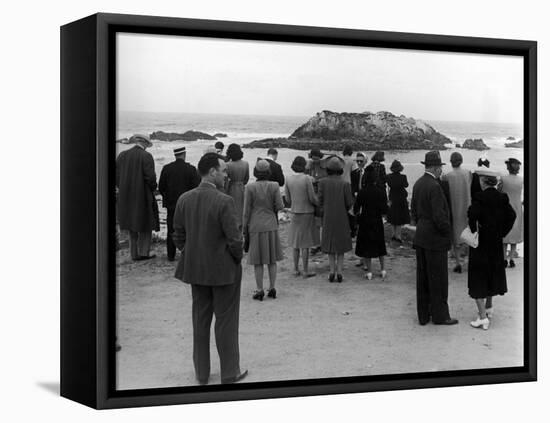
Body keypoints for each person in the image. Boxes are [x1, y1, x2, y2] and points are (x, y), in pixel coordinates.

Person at [172, 152, 247, 385]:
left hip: (196, 269)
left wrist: (193, 252)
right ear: (212, 171)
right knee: (226, 322)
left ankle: (202, 374)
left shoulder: (184, 199)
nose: (226, 174)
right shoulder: (225, 201)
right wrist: (235, 258)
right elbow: (235, 240)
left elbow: (179, 236)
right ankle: (229, 373)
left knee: (200, 321)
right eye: (223, 170)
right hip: (224, 271)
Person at [411, 151, 458, 326]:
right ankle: (440, 316)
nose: (440, 171)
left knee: (422, 278)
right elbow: (440, 217)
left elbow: (414, 211)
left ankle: (423, 315)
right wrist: (448, 233)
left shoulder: (418, 184)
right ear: (436, 168)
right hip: (435, 239)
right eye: (440, 168)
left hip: (421, 236)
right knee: (438, 279)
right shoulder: (435, 187)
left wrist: (421, 225)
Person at [467, 169, 516, 330]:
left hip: (481, 242)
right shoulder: (502, 198)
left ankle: (482, 318)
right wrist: (501, 232)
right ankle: (488, 308)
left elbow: (472, 215)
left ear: (483, 181)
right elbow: (512, 215)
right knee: (491, 274)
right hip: (496, 242)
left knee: (478, 276)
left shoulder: (479, 197)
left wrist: (474, 230)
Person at [243, 160, 285, 300]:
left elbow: (246, 211)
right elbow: (280, 205)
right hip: (271, 224)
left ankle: (259, 289)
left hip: (255, 224)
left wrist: (244, 227)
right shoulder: (274, 186)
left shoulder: (250, 187)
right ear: (268, 172)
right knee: (272, 259)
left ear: (256, 172)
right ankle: (272, 287)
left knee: (258, 260)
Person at [116, 134, 158, 261]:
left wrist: (123, 188)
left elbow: (116, 177)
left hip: (125, 195)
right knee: (146, 224)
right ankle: (144, 252)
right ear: (145, 143)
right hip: (142, 195)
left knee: (131, 224)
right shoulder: (146, 156)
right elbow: (151, 178)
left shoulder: (122, 155)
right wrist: (152, 188)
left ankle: (133, 253)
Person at [158, 146, 200, 261]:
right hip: (187, 205)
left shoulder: (166, 168)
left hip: (171, 205)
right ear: (184, 154)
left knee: (171, 230)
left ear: (175, 155)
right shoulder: (191, 169)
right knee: (187, 229)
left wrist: (166, 198)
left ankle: (170, 255)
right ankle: (186, 253)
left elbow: (161, 187)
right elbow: (196, 188)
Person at [318, 156, 354, 283]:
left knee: (330, 245)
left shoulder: (322, 182)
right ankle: (339, 272)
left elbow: (319, 200)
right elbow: (349, 202)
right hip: (341, 216)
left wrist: (323, 210)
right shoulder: (345, 184)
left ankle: (331, 271)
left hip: (328, 216)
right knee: (340, 245)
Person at [284, 156, 319, 278]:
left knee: (295, 243)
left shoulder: (288, 178)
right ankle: (305, 270)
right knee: (305, 243)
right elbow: (312, 197)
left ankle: (295, 269)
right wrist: (318, 202)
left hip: (294, 211)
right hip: (307, 212)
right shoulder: (306, 179)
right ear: (303, 166)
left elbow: (287, 199)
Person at [354, 166, 388, 280]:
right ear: (375, 178)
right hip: (377, 220)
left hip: (365, 220)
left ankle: (369, 271)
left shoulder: (362, 192)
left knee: (366, 247)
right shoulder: (381, 192)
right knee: (380, 246)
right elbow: (385, 210)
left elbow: (356, 209)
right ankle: (383, 269)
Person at [441, 152, 472, 273]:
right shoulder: (468, 173)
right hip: (466, 207)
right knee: (468, 236)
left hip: (454, 208)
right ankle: (469, 262)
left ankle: (458, 262)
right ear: (461, 161)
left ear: (451, 162)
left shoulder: (447, 176)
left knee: (455, 237)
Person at [501, 158, 524, 268]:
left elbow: (499, 191)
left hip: (505, 209)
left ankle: (504, 259)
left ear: (508, 167)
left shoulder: (503, 179)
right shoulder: (521, 180)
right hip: (517, 208)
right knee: (514, 236)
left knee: (505, 236)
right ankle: (511, 259)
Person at [305, 149, 327, 255]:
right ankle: (316, 244)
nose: (315, 160)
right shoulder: (309, 166)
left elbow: (327, 179)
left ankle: (321, 244)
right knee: (314, 222)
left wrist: (317, 180)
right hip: (312, 196)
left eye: (316, 158)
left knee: (321, 221)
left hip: (321, 196)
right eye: (313, 158)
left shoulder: (324, 166)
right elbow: (303, 176)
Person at [225, 143, 249, 230]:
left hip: (232, 188)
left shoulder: (228, 165)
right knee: (242, 208)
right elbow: (247, 179)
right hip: (242, 187)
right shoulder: (246, 164)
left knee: (233, 209)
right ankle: (242, 226)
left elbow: (226, 179)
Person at [386, 159, 410, 244]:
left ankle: (393, 234)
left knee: (392, 217)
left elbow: (388, 184)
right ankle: (398, 236)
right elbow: (406, 185)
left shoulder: (388, 177)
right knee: (399, 217)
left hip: (392, 197)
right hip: (401, 198)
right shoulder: (403, 177)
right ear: (400, 168)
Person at [350, 152, 367, 243]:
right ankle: (354, 231)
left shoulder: (368, 173)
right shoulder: (353, 173)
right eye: (358, 161)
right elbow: (352, 185)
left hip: (365, 196)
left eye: (361, 161)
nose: (359, 163)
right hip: (356, 196)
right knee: (355, 213)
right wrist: (354, 192)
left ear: (365, 161)